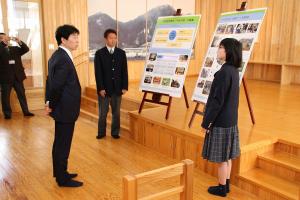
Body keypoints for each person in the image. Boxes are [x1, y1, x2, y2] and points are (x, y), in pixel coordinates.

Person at [201, 38, 242, 197]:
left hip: (221, 122)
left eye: (221, 48)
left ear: (228, 52)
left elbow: (217, 102)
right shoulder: (233, 71)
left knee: (221, 160)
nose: (218, 50)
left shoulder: (224, 72)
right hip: (231, 120)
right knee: (227, 157)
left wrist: (206, 122)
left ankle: (221, 188)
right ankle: (226, 185)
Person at [45, 25, 83, 187]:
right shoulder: (62, 58)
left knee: (60, 142)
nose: (77, 40)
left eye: (77, 36)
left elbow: (50, 81)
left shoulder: (58, 55)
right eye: (74, 37)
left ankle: (61, 172)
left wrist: (49, 102)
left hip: (62, 107)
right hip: (64, 108)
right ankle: (62, 178)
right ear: (63, 39)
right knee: (62, 143)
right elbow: (56, 86)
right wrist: (50, 105)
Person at [94, 29, 128, 139]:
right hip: (104, 90)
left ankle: (115, 133)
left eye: (115, 38)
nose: (113, 40)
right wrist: (100, 88)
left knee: (116, 113)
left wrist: (124, 87)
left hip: (117, 89)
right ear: (106, 39)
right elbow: (98, 73)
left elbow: (124, 71)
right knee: (103, 113)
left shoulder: (121, 53)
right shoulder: (99, 53)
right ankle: (101, 133)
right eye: (110, 38)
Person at [0, 33, 34, 119]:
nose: (7, 38)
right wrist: (2, 43)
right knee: (5, 97)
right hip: (5, 78)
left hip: (17, 77)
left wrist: (19, 41)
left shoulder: (14, 48)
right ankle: (7, 114)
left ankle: (26, 111)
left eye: (7, 37)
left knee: (22, 94)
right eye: (4, 37)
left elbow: (26, 49)